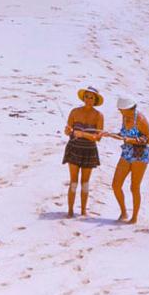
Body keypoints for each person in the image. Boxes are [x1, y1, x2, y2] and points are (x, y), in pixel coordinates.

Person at [105, 95, 149, 224]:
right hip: (126, 153)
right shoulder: (125, 117)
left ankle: (135, 217)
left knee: (134, 187)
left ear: (127, 108)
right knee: (116, 185)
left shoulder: (141, 119)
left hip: (140, 155)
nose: (120, 112)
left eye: (121, 109)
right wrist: (111, 135)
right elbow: (123, 135)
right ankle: (124, 212)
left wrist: (132, 140)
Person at [61, 86, 104, 217]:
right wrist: (68, 131)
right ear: (83, 97)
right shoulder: (74, 112)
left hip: (89, 151)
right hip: (74, 148)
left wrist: (83, 134)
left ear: (95, 100)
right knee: (73, 181)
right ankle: (70, 210)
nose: (89, 99)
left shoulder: (98, 115)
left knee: (85, 182)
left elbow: (98, 137)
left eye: (91, 97)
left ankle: (83, 210)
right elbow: (68, 130)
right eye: (87, 96)